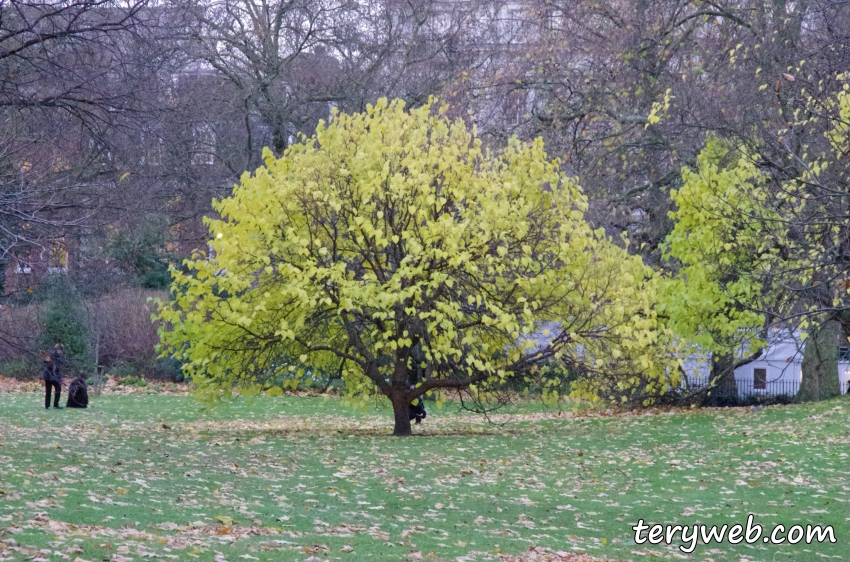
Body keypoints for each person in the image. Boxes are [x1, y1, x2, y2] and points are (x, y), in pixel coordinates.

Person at [42, 343, 64, 409]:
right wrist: (52, 366)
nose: (61, 352)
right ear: (57, 349)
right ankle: (47, 405)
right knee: (48, 390)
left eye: (61, 350)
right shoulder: (50, 355)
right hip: (48, 375)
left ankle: (56, 404)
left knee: (59, 387)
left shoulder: (59, 357)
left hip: (55, 376)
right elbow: (46, 362)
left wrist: (60, 378)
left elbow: (58, 368)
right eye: (60, 350)